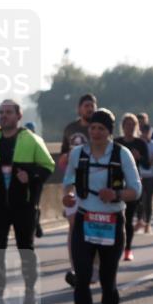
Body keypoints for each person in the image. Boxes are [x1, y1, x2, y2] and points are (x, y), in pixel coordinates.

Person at [61, 108, 141, 304]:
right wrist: (68, 196)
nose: (95, 132)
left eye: (101, 129)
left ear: (110, 132)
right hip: (85, 220)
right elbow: (67, 182)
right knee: (82, 279)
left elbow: (136, 190)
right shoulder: (78, 153)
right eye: (93, 128)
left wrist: (115, 194)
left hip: (111, 222)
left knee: (108, 281)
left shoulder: (121, 154)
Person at [0, 100, 55, 304]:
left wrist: (31, 175)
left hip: (24, 204)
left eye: (8, 112)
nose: (4, 116)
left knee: (25, 249)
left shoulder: (31, 140)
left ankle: (29, 292)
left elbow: (48, 166)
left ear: (18, 116)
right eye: (1, 112)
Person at [58, 94, 98, 286]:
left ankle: (95, 267)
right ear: (79, 109)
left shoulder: (100, 128)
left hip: (95, 183)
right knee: (74, 225)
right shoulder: (70, 129)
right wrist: (64, 159)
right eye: (86, 106)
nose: (89, 109)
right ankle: (76, 268)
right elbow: (63, 155)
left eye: (92, 106)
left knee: (94, 224)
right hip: (72, 182)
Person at [114, 113, 151, 261]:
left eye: (132, 125)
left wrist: (139, 158)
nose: (129, 128)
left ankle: (128, 249)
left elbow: (148, 165)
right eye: (127, 125)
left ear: (136, 127)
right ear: (122, 127)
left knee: (128, 219)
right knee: (117, 219)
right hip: (116, 183)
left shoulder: (140, 144)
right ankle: (114, 247)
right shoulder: (116, 143)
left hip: (132, 184)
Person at [136, 112, 153, 235]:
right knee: (139, 200)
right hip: (139, 175)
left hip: (151, 175)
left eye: (147, 132)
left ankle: (148, 222)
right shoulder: (136, 142)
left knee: (148, 200)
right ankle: (140, 220)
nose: (144, 134)